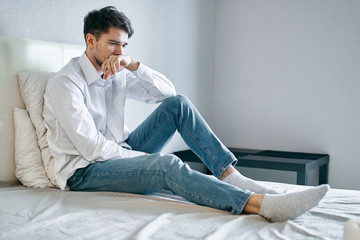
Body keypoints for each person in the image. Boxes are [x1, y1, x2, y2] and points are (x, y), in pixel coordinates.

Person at [43, 6, 329, 222]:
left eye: (124, 45)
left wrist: (134, 64)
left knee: (178, 104)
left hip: (121, 150)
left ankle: (231, 176)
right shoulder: (66, 84)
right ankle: (257, 204)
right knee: (167, 165)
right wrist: (148, 160)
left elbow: (168, 94)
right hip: (85, 171)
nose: (119, 52)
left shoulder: (117, 69)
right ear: (90, 41)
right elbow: (92, 149)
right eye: (113, 44)